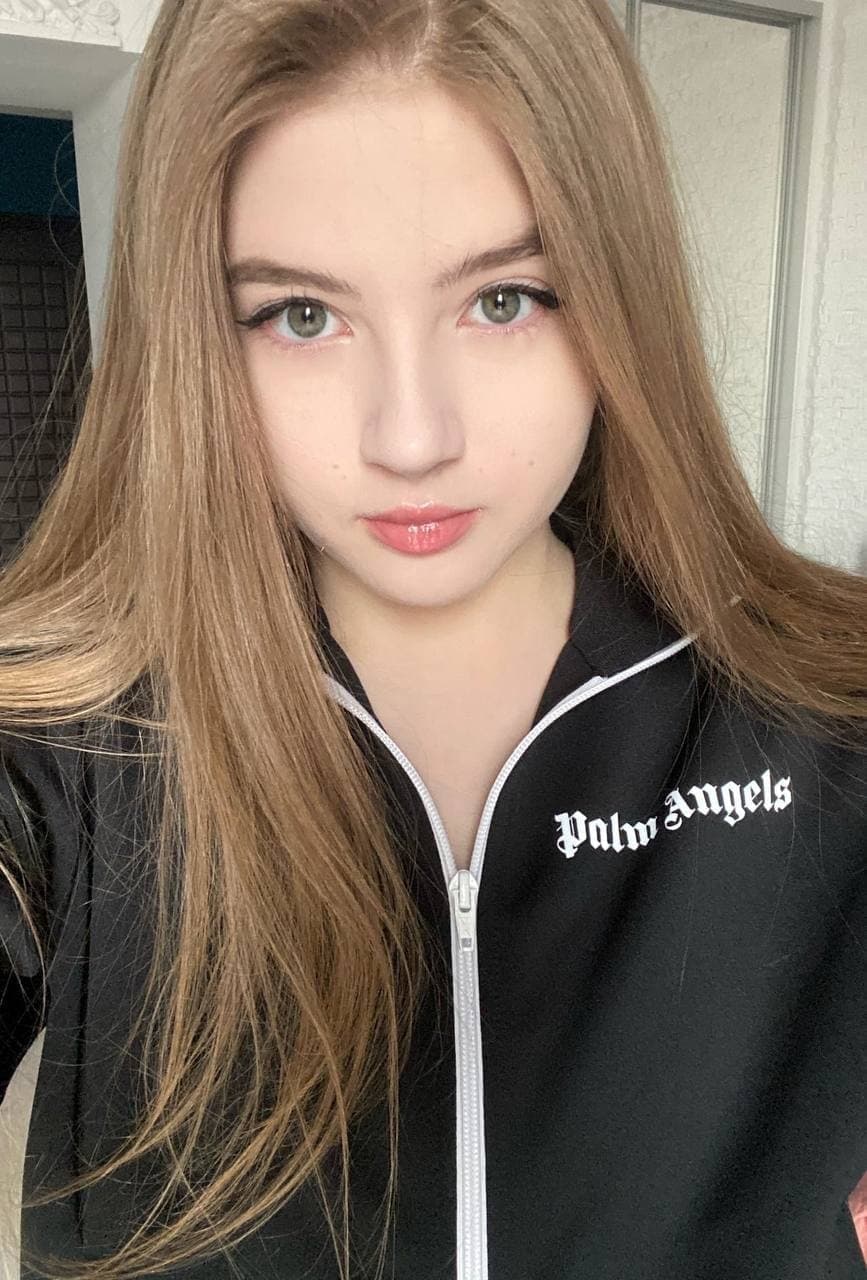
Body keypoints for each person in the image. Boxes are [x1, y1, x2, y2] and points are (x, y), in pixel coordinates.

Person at [0, 0, 865, 1276]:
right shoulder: (73, 749)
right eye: (301, 315)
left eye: (504, 298)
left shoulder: (830, 719)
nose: (411, 438)